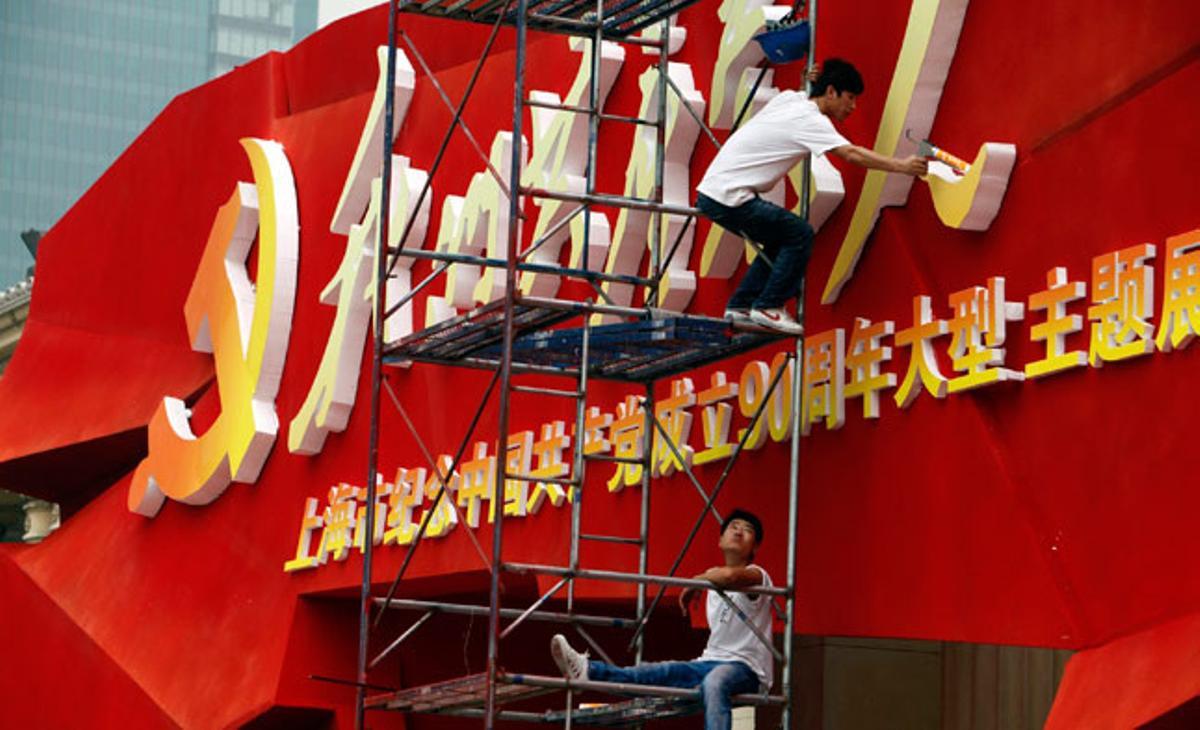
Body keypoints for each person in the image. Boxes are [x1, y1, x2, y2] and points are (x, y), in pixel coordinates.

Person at [696, 58, 929, 335]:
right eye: (850, 97)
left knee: (781, 238)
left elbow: (802, 93)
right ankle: (768, 306)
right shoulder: (811, 120)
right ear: (831, 91)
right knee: (799, 233)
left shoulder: (790, 100)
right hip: (729, 195)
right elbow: (851, 154)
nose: (853, 106)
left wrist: (807, 80)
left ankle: (742, 305)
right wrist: (901, 166)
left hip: (714, 192)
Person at [549, 509, 773, 730]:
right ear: (720, 540)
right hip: (708, 662)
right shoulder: (712, 583)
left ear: (755, 547)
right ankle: (589, 670)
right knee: (655, 672)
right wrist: (703, 581)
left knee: (716, 682)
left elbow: (730, 576)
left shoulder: (758, 575)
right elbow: (721, 577)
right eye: (733, 527)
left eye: (747, 530)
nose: (739, 531)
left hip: (747, 669)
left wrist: (697, 581)